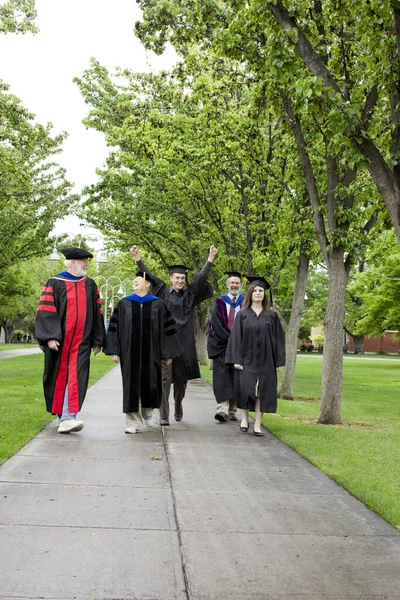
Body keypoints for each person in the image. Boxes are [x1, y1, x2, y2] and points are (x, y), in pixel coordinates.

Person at [131, 244, 217, 426]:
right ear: (171, 278)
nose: (180, 281)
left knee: (181, 381)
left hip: (184, 345)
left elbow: (201, 279)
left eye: (182, 278)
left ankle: (178, 404)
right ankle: (164, 414)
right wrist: (138, 258)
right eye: (177, 278)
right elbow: (150, 275)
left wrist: (210, 259)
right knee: (164, 380)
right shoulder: (162, 291)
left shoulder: (190, 295)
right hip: (165, 344)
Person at [35, 247, 106, 434]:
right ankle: (64, 417)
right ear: (73, 262)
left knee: (78, 377)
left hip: (81, 343)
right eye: (84, 261)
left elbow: (98, 314)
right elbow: (46, 310)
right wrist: (50, 336)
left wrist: (97, 340)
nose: (86, 264)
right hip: (60, 342)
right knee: (58, 377)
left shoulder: (90, 285)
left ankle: (68, 417)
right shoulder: (55, 282)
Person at [104, 272, 183, 433]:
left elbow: (169, 329)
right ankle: (132, 422)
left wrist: (169, 353)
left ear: (147, 285)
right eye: (134, 279)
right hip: (129, 353)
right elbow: (114, 328)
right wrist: (114, 350)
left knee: (151, 384)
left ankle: (147, 412)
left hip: (152, 354)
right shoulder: (124, 303)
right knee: (130, 386)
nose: (135, 280)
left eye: (139, 279)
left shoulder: (158, 305)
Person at [225, 275, 285, 437]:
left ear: (264, 294)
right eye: (255, 290)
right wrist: (236, 359)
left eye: (261, 291)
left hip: (267, 360)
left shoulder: (272, 316)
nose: (258, 293)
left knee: (262, 392)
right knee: (247, 390)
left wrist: (278, 361)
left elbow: (279, 339)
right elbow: (236, 338)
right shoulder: (243, 315)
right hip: (247, 359)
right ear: (250, 293)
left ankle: (257, 424)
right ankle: (244, 418)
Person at [207, 271, 245, 422]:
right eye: (232, 283)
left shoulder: (245, 302)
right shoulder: (220, 302)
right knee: (222, 378)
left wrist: (238, 340)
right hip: (221, 345)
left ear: (241, 285)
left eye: (237, 283)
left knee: (237, 378)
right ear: (227, 285)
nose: (234, 285)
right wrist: (230, 339)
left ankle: (232, 410)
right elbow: (215, 324)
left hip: (240, 346)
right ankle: (221, 409)